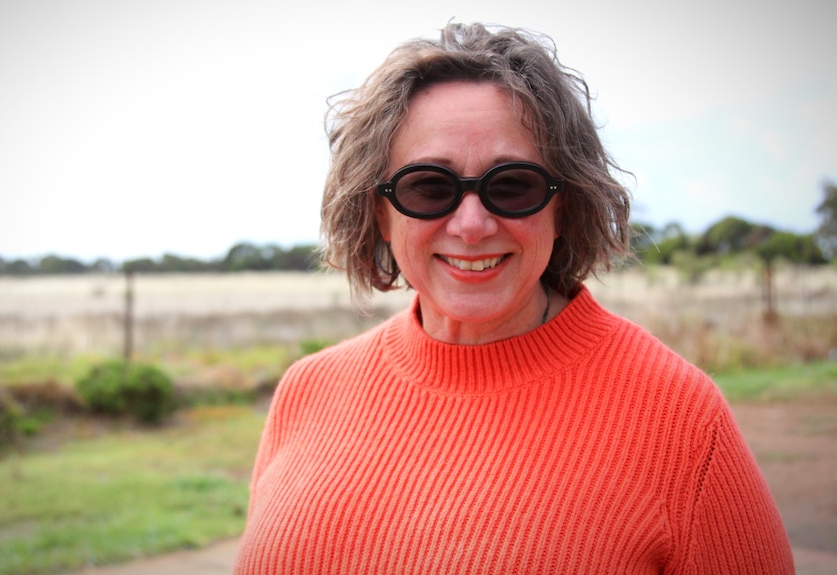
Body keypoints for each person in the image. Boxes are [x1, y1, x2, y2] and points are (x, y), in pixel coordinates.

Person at [234, 22, 794, 574]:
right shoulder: (306, 391)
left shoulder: (681, 422)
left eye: (513, 185)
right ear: (379, 212)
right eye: (428, 187)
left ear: (563, 206)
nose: (472, 224)